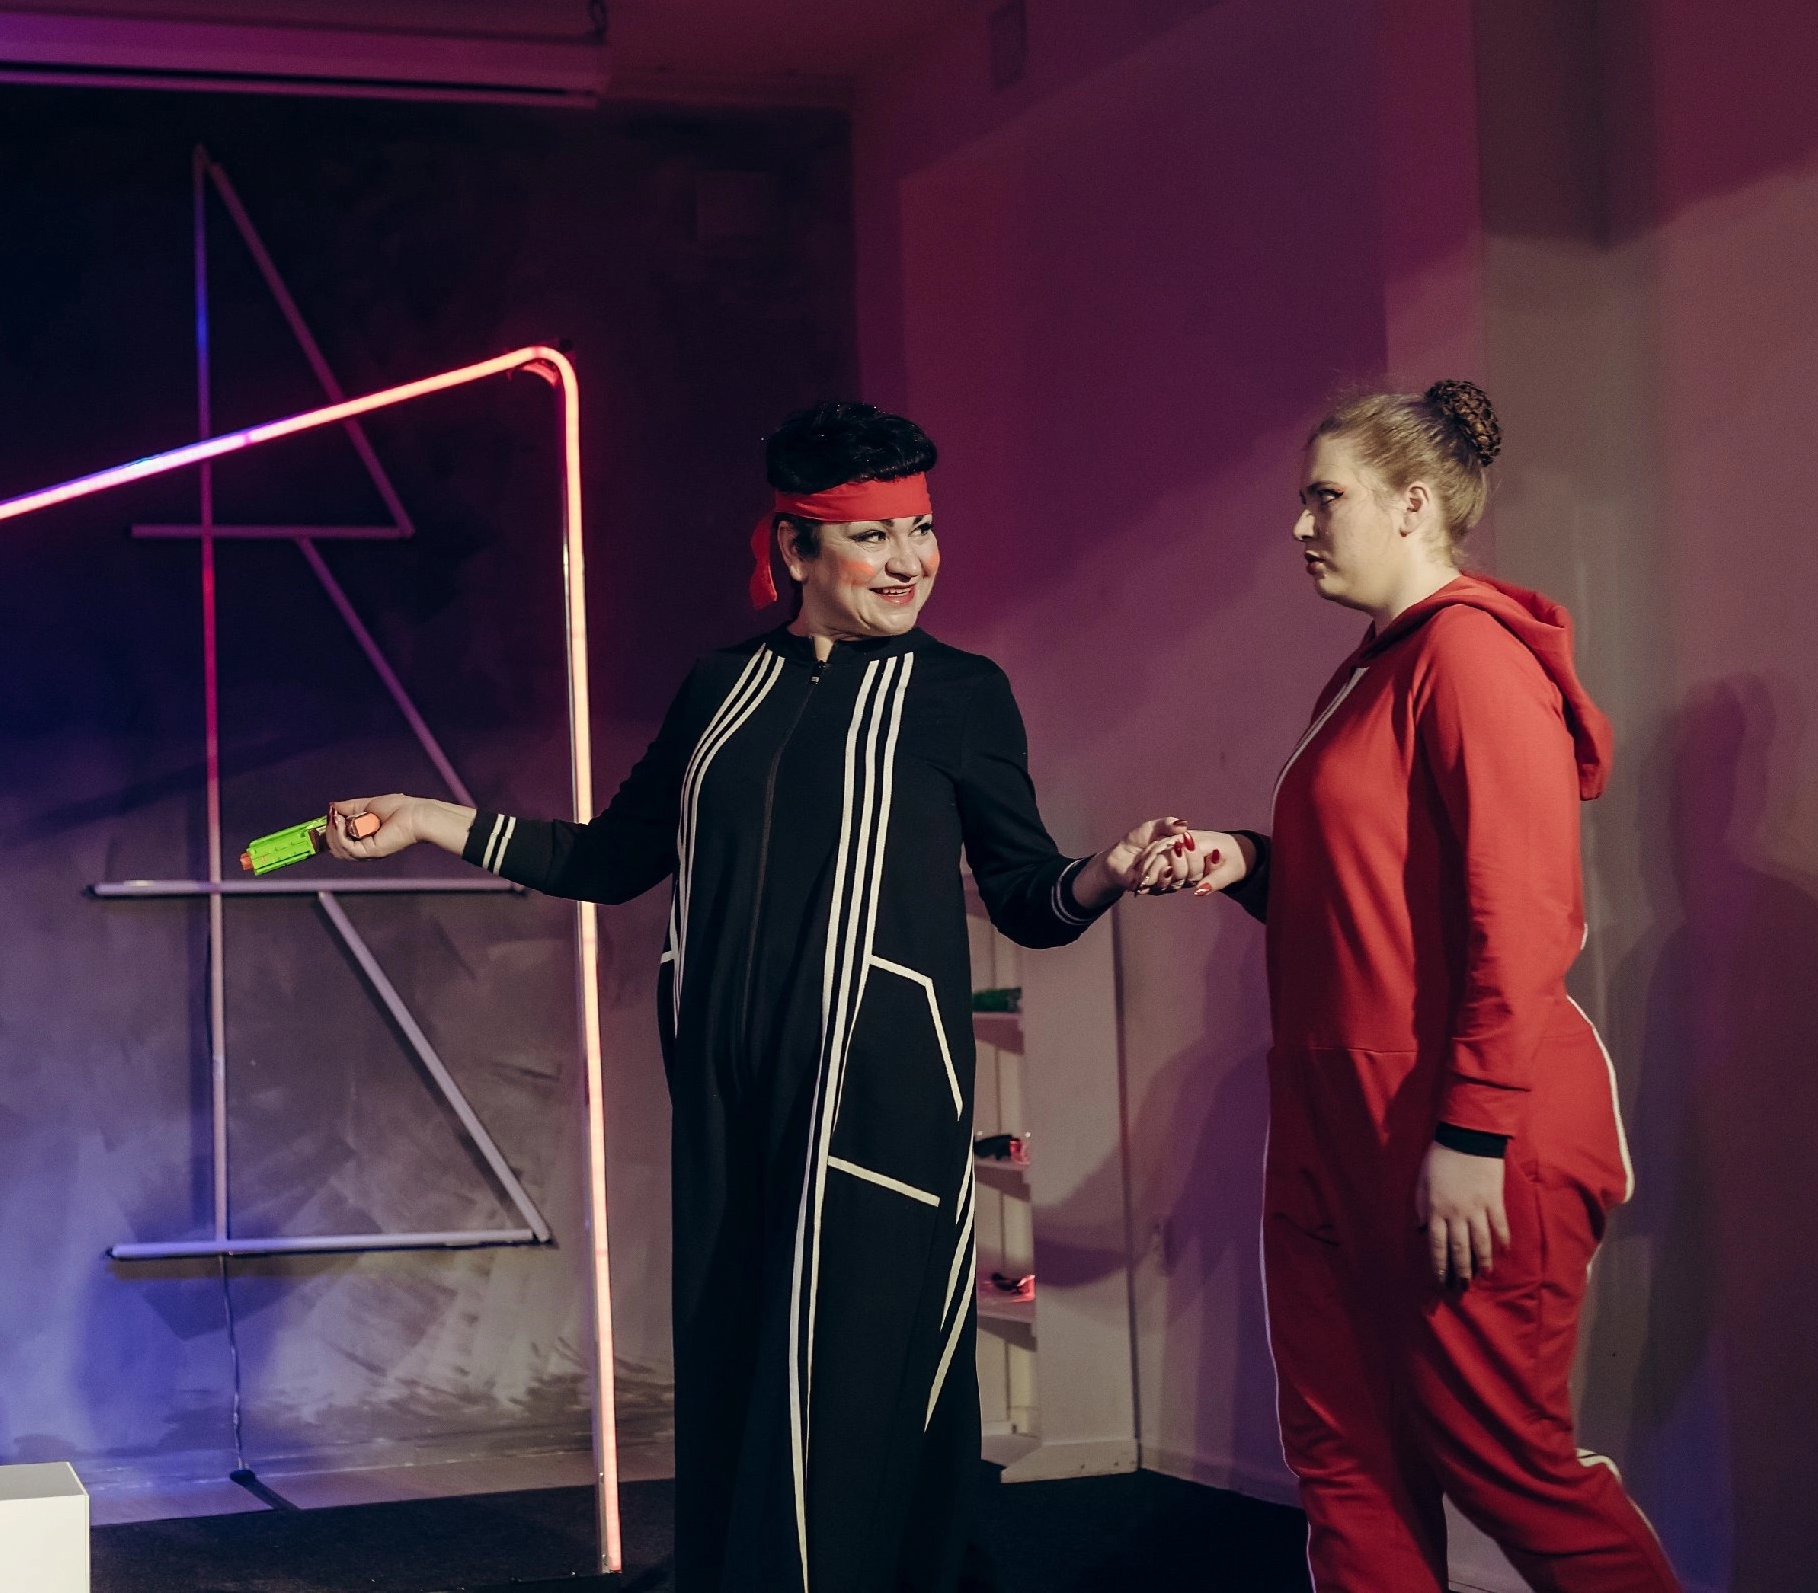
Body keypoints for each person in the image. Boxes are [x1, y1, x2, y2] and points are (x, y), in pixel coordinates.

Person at [325, 402, 1211, 1593]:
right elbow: (610, 857)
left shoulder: (958, 691)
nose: (909, 561)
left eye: (921, 529)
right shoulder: (720, 685)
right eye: (873, 535)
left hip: (879, 1100)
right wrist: (432, 818)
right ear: (795, 547)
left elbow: (1025, 894)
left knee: (847, 1383)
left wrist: (1107, 870)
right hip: (731, 1104)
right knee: (744, 1360)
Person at [1183, 382, 1678, 1591]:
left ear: (1411, 505)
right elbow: (1373, 894)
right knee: (1344, 1457)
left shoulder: (1470, 656)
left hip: (1458, 1126)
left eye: (1324, 497)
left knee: (1506, 1462)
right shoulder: (1372, 669)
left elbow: (1524, 913)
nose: (1300, 524)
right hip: (1334, 1119)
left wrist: (1471, 1132)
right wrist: (1246, 861)